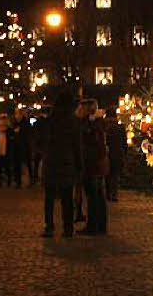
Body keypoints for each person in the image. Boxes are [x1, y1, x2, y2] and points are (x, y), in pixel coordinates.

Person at [41, 91, 82, 238]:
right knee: (66, 197)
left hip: (51, 161)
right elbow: (77, 144)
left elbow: (43, 140)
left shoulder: (51, 119)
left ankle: (49, 226)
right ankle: (68, 227)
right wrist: (79, 164)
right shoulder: (72, 121)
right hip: (67, 162)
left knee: (49, 198)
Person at [80, 99, 109, 235]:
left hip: (93, 164)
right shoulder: (98, 122)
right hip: (98, 163)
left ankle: (93, 226)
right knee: (98, 196)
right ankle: (100, 226)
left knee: (93, 196)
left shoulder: (92, 124)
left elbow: (93, 143)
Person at [104, 108, 126, 202]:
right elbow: (124, 142)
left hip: (106, 153)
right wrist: (124, 153)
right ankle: (114, 194)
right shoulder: (120, 127)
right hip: (117, 153)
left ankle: (108, 193)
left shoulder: (103, 126)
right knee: (115, 175)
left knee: (107, 175)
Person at [0, 113, 14, 188]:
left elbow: (12, 142)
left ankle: (9, 181)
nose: (3, 122)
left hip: (7, 152)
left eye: (4, 120)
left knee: (7, 168)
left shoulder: (10, 131)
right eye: (1, 120)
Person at [12, 108, 32, 188]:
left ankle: (28, 181)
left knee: (26, 164)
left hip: (24, 147)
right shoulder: (14, 124)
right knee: (17, 165)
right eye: (16, 114)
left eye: (18, 114)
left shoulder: (26, 123)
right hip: (16, 148)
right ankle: (18, 181)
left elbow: (28, 135)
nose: (17, 116)